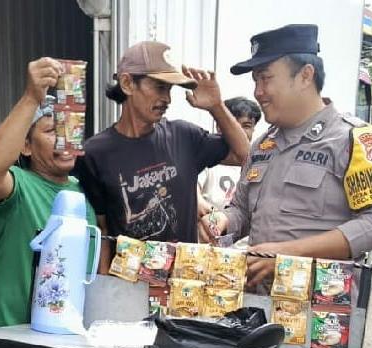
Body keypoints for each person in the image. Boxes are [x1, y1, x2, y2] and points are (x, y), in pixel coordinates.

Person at [202, 24, 372, 290]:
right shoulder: (263, 145)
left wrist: (287, 254)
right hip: (257, 299)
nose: (258, 91)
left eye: (266, 78)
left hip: (320, 305)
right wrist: (223, 220)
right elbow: (243, 211)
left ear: (306, 76)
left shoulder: (355, 140)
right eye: (255, 81)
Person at [75, 40, 249, 273]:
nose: (167, 98)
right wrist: (106, 288)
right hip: (129, 285)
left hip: (183, 284)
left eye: (169, 89)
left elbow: (244, 156)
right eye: (159, 87)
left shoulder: (184, 136)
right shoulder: (95, 153)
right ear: (127, 83)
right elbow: (102, 229)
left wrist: (216, 106)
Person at [0, 57, 96, 329]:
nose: (64, 139)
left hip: (64, 332)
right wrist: (31, 98)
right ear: (26, 146)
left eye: (69, 129)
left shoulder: (84, 192)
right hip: (6, 332)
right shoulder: (19, 187)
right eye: (52, 131)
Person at [197, 96, 262, 214]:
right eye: (233, 124)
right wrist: (213, 217)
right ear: (219, 127)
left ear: (253, 129)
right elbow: (193, 194)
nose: (239, 131)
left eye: (246, 126)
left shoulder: (260, 165)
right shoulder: (206, 161)